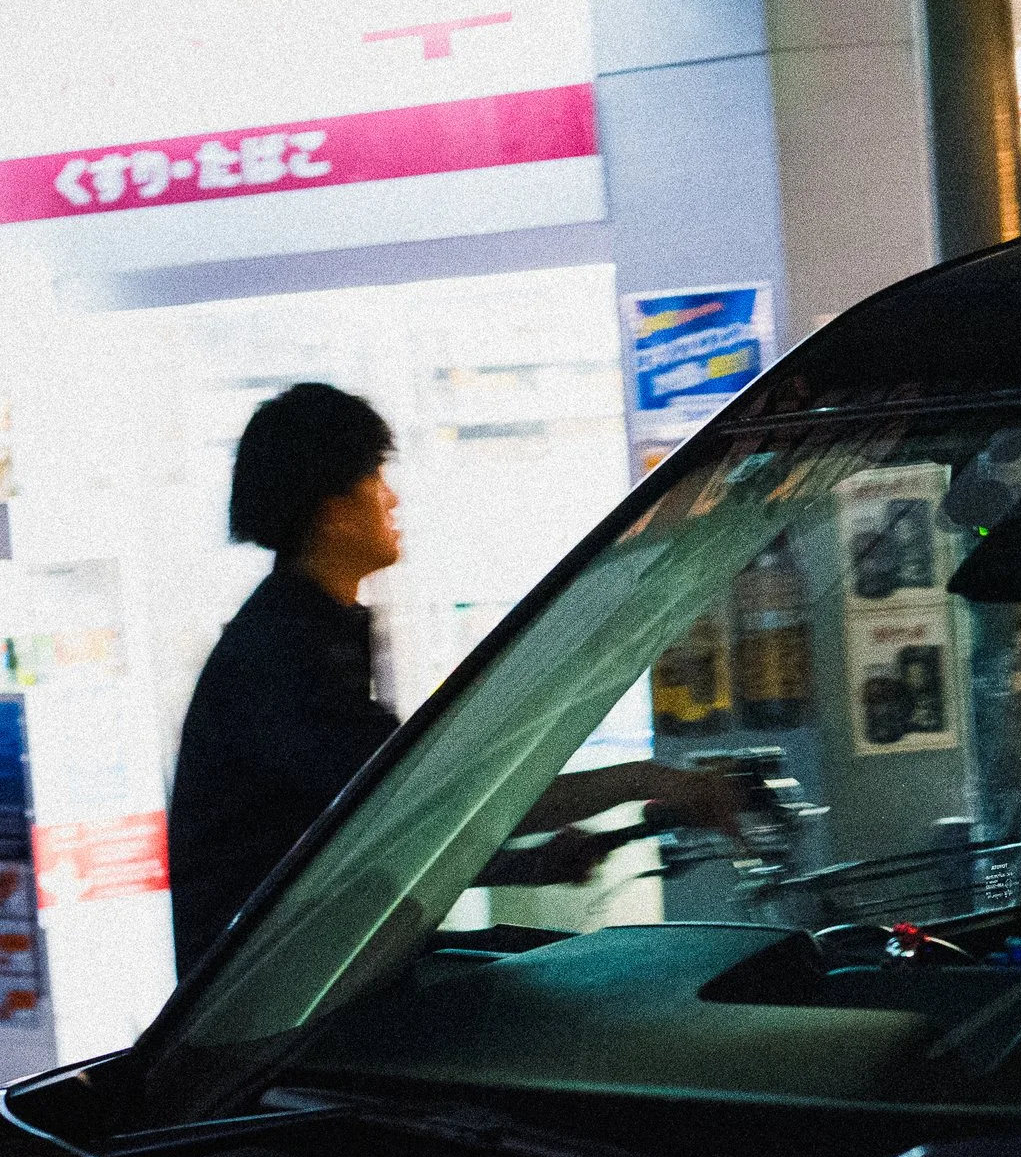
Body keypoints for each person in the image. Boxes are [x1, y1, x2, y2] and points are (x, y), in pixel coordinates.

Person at [168, 383, 740, 974]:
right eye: (374, 477)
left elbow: (383, 832)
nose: (391, 499)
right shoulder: (282, 659)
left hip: (322, 975)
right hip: (277, 1013)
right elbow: (432, 803)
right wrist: (648, 781)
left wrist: (526, 866)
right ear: (332, 508)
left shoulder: (305, 637)